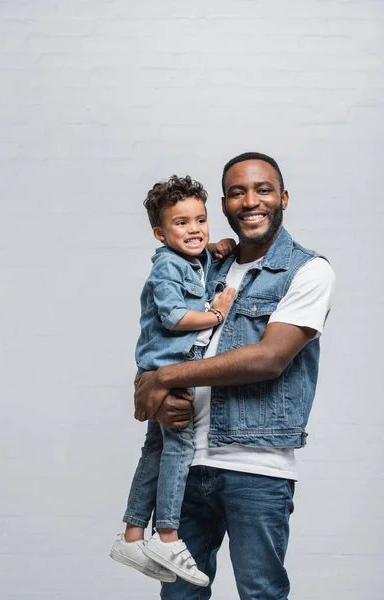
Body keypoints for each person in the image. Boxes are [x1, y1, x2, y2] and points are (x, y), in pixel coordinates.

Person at [134, 152, 336, 600]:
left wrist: (164, 377)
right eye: (237, 192)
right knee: (179, 596)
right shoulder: (204, 267)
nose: (251, 201)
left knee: (260, 593)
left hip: (255, 468)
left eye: (263, 190)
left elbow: (268, 359)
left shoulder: (307, 271)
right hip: (184, 464)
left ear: (282, 198)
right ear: (224, 205)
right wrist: (154, 385)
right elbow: (161, 336)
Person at [110, 175, 236, 586]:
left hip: (165, 369)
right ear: (160, 233)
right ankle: (167, 535)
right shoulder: (167, 266)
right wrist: (217, 313)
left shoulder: (190, 258)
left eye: (200, 219)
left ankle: (132, 535)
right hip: (170, 372)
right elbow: (175, 317)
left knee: (154, 451)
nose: (195, 229)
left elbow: (201, 262)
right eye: (181, 223)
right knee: (179, 448)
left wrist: (216, 252)